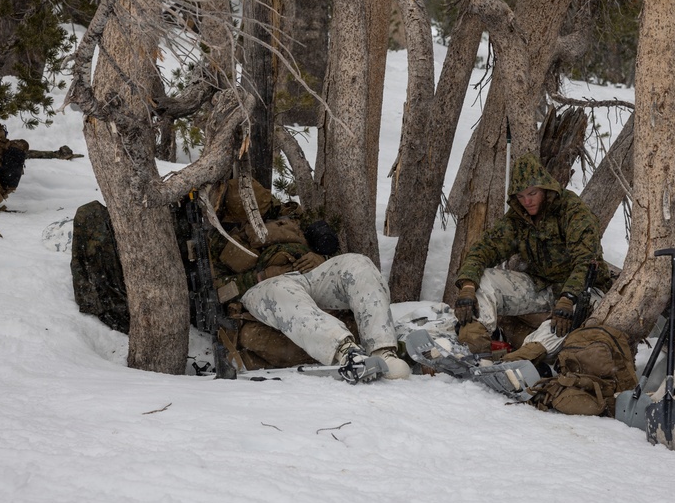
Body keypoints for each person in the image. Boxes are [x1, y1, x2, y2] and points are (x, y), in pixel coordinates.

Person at [211, 179, 411, 382]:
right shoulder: (218, 240)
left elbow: (330, 247)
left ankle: (383, 350)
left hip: (307, 277)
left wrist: (321, 259)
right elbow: (217, 289)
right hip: (262, 290)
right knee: (280, 288)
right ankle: (345, 351)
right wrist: (260, 276)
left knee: (358, 263)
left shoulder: (291, 217)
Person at [452, 153, 610, 365]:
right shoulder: (519, 218)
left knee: (567, 320)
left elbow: (586, 260)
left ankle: (520, 360)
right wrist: (468, 286)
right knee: (484, 277)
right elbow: (485, 248)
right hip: (541, 286)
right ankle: (475, 347)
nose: (527, 202)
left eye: (532, 193)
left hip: (582, 291)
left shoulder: (572, 211)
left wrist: (568, 297)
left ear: (545, 189)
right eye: (520, 197)